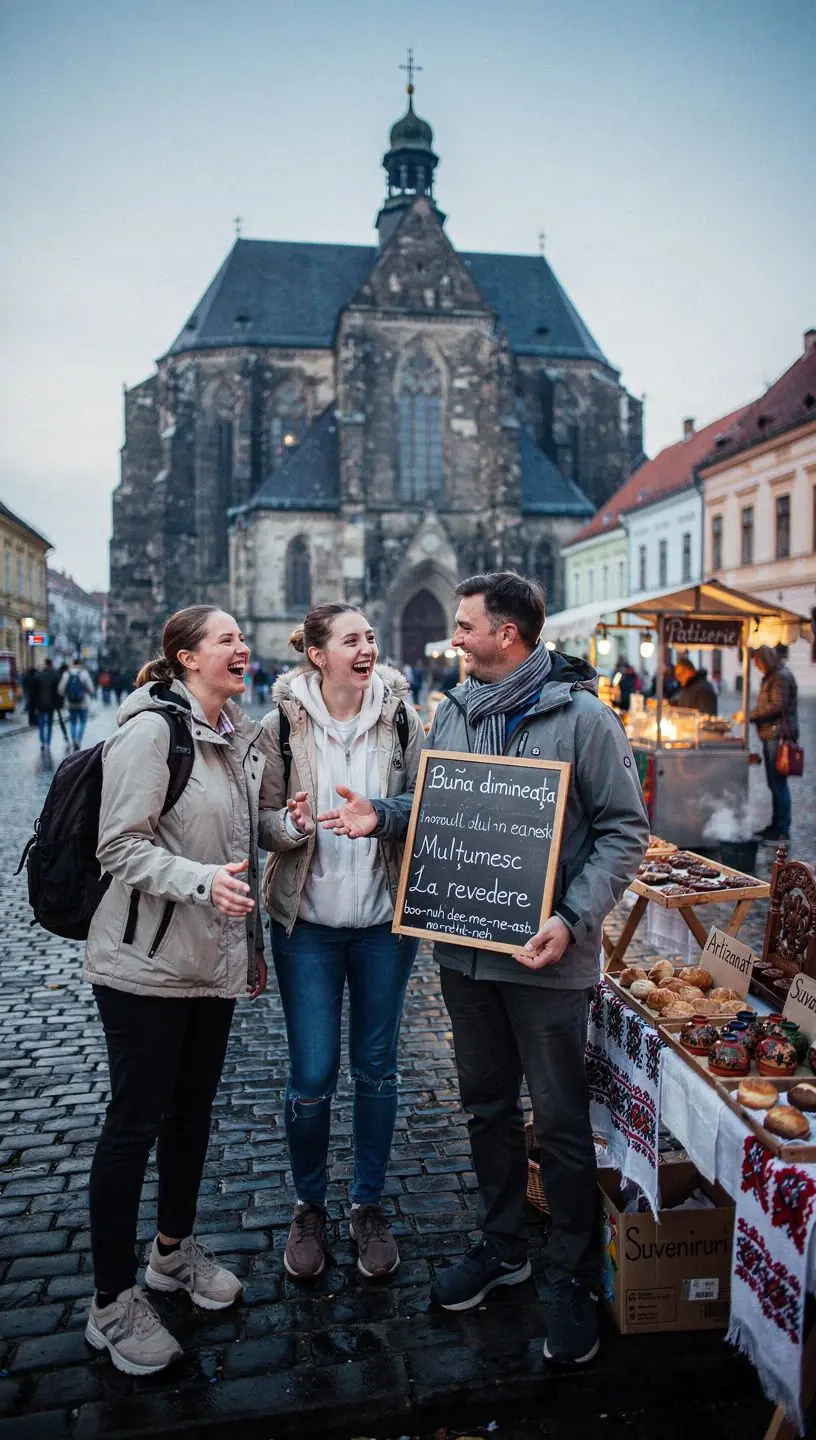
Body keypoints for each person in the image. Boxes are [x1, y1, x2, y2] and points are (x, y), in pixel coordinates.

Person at [414, 573, 648, 1363]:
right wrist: (380, 814)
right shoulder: (450, 713)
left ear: (506, 635)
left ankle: (574, 1274)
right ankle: (503, 1246)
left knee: (560, 1122)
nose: (455, 636)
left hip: (549, 958)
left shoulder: (583, 717)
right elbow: (436, 808)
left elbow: (624, 833)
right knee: (483, 1106)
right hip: (467, 954)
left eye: (466, 625)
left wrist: (571, 918)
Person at [83, 605, 272, 1377]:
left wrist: (285, 833)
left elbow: (237, 846)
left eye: (240, 638)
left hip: (211, 960)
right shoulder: (152, 731)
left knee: (192, 1113)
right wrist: (200, 883)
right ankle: (109, 1303)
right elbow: (119, 844)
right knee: (134, 1125)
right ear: (187, 658)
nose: (242, 648)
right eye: (227, 639)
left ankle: (171, 1254)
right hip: (144, 964)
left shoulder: (233, 735)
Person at [261, 603, 423, 1284]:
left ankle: (366, 1205)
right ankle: (308, 1205)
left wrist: (381, 815)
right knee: (312, 1075)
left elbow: (428, 804)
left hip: (385, 924)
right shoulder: (281, 725)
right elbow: (261, 819)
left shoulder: (406, 718)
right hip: (310, 927)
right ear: (318, 654)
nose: (368, 647)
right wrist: (292, 827)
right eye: (352, 638)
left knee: (378, 1068)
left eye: (372, 637)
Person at [750, 645, 799, 842]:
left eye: (758, 663)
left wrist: (751, 715)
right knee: (774, 781)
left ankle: (782, 827)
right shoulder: (775, 675)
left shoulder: (780, 677)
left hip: (778, 735)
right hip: (771, 733)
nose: (757, 667)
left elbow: (776, 706)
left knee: (778, 782)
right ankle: (776, 824)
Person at [58, 657, 96, 750]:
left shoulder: (66, 674)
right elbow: (91, 688)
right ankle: (79, 740)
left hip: (70, 703)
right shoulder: (84, 673)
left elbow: (60, 690)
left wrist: (66, 695)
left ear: (72, 664)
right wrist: (89, 692)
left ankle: (74, 740)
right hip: (83, 703)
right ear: (80, 664)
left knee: (73, 723)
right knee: (82, 722)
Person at [33, 658, 61, 750]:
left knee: (41, 724)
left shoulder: (38, 675)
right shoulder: (55, 675)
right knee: (49, 724)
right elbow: (58, 691)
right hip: (51, 705)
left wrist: (33, 704)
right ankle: (48, 743)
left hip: (40, 704)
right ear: (51, 664)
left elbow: (34, 691)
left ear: (45, 664)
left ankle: (42, 742)